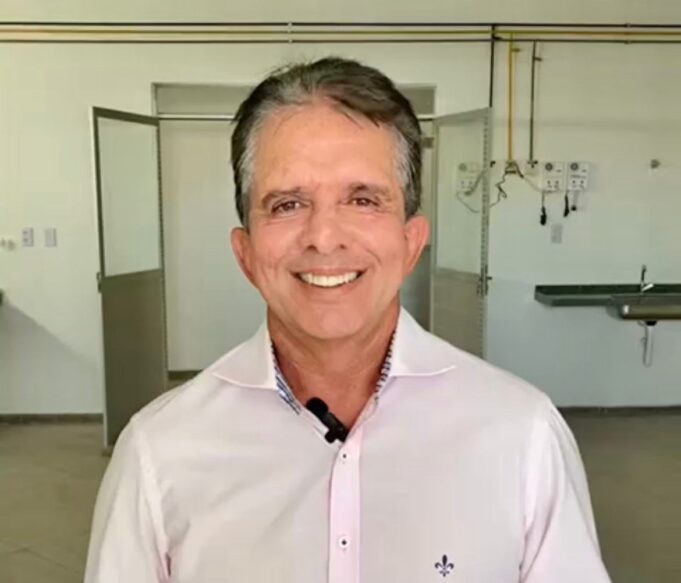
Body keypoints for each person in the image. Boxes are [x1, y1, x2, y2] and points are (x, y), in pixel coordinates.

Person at [84, 57, 611, 583]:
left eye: (362, 200)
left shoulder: (522, 436)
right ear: (246, 254)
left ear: (411, 243)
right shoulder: (160, 452)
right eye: (287, 204)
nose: (324, 237)